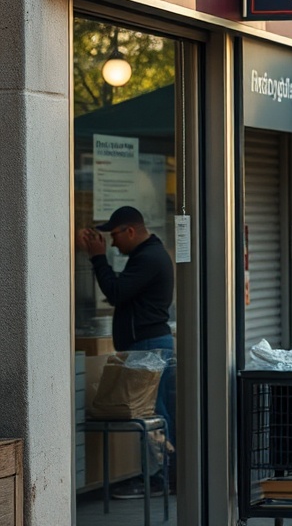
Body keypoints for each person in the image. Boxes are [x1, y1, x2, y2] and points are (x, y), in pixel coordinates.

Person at [76, 205, 175, 498]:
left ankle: (161, 476)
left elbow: (116, 292)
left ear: (130, 231)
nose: (113, 243)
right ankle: (162, 475)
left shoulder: (148, 258)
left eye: (115, 235)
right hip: (147, 344)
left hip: (147, 346)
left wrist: (97, 257)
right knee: (154, 411)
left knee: (151, 413)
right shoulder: (147, 255)